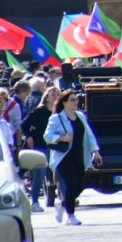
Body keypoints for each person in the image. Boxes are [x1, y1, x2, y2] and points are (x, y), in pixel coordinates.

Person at [43, 89, 102, 226]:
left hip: (79, 156)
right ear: (64, 102)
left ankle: (63, 203)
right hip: (63, 158)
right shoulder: (56, 118)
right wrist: (61, 138)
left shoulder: (80, 116)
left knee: (80, 185)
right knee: (70, 185)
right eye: (72, 100)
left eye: (76, 100)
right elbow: (47, 136)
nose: (76, 102)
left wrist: (95, 151)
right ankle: (70, 215)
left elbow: (89, 134)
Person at [22, 86, 60, 212]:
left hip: (56, 147)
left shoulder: (60, 112)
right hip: (41, 146)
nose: (54, 95)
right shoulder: (39, 111)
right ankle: (34, 202)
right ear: (46, 96)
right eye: (52, 93)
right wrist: (28, 136)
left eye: (57, 93)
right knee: (40, 174)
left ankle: (65, 198)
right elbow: (24, 124)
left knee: (61, 172)